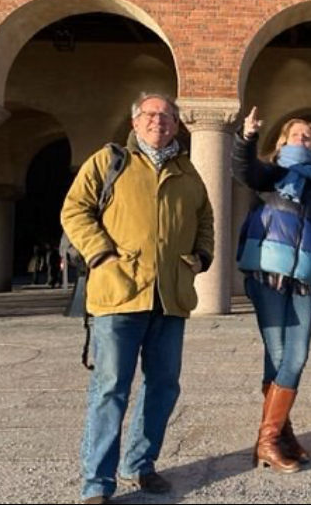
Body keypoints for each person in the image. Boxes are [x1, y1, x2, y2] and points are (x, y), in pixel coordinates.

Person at [61, 93, 215, 504]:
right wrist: (102, 253)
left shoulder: (188, 171)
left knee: (163, 386)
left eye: (167, 116)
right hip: (120, 293)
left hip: (171, 295)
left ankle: (140, 464)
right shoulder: (110, 161)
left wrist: (199, 258)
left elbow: (205, 219)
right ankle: (97, 483)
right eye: (150, 114)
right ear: (135, 122)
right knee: (111, 387)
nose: (159, 121)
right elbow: (75, 210)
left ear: (177, 125)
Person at [233, 107, 311, 473]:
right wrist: (246, 137)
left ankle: (276, 434)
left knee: (295, 355)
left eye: (308, 137)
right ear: (283, 140)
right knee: (282, 357)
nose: (302, 140)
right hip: (268, 271)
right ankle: (270, 440)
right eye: (296, 135)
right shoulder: (273, 173)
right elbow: (244, 170)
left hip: (304, 275)